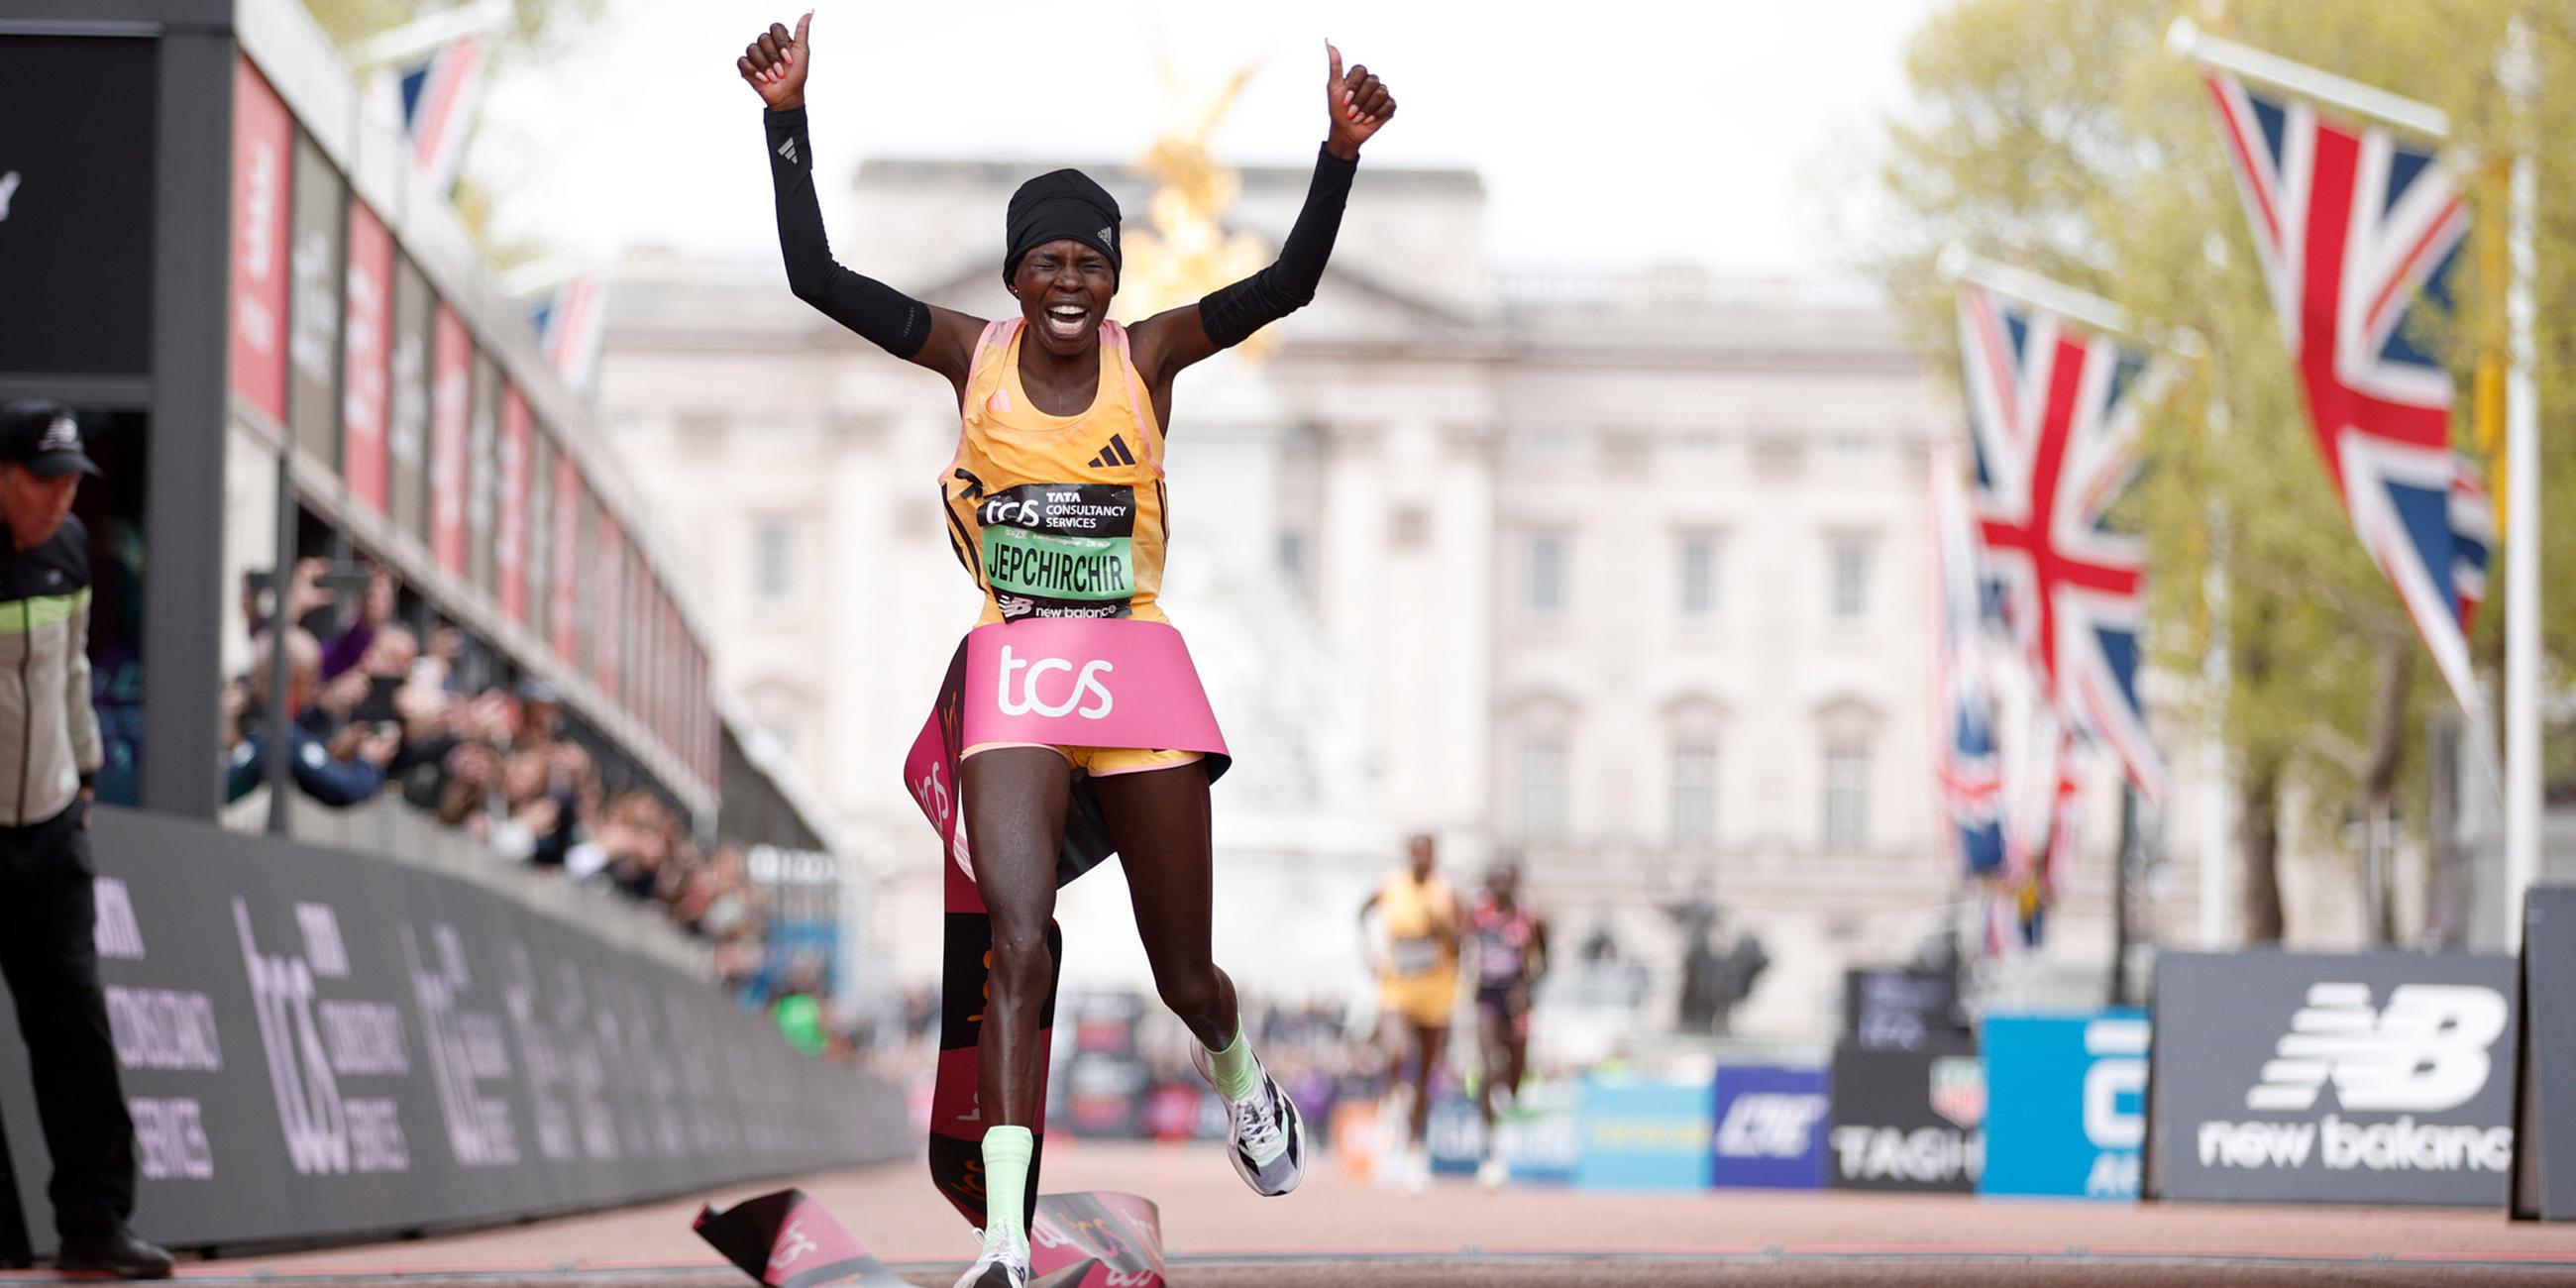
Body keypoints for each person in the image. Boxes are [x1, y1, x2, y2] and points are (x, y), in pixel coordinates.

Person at [737, 15, 1394, 1287]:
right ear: (1015, 276)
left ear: (1112, 278)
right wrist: (786, 119)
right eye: (1047, 263)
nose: (1069, 285)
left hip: (1136, 671)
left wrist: (1336, 156)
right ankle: (1002, 1238)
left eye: (1090, 264)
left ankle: (1234, 1065)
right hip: (1019, 676)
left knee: (1184, 973)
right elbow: (815, 276)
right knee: (1018, 944)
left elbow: (1287, 286)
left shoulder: (1150, 357)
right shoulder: (963, 354)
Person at [0, 401, 172, 1279]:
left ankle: (96, 1223)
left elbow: (71, 671)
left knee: (76, 1028)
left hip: (50, 825)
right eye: (44, 481)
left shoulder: (69, 550)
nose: (61, 499)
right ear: (2, 476)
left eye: (72, 482)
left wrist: (86, 772)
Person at [1357, 833, 1459, 1195]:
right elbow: (1361, 912)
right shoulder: (1391, 886)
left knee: (1426, 1076)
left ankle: (1414, 1151)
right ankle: (1390, 1103)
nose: (1420, 860)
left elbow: (1460, 945)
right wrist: (1367, 953)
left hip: (1435, 992)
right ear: (1408, 855)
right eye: (1415, 854)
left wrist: (1441, 927)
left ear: (1434, 856)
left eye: (1426, 854)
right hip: (1397, 986)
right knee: (1397, 1050)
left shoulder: (1446, 892)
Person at [1462, 861, 1548, 1190]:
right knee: (1488, 1070)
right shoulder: (1478, 914)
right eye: (1494, 883)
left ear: (1515, 884)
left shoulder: (1529, 916)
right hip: (1487, 995)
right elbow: (1460, 945)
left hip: (1515, 998)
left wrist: (1527, 988)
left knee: (1516, 1071)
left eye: (1506, 883)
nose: (1500, 889)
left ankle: (1507, 1103)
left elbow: (1543, 958)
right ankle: (1489, 1149)